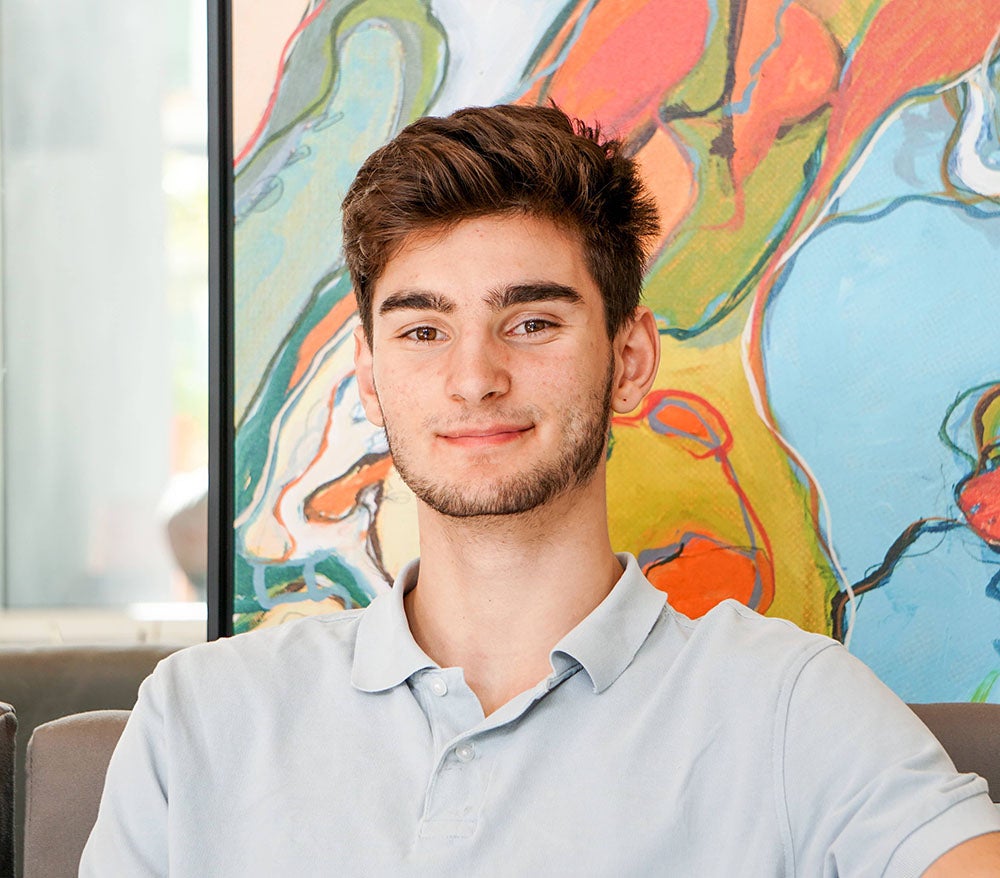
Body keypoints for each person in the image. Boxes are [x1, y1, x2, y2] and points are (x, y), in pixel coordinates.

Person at [81, 104, 1000, 876]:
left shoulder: (792, 706)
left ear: (628, 361)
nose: (474, 378)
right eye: (422, 331)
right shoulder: (200, 715)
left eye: (530, 322)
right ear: (369, 376)